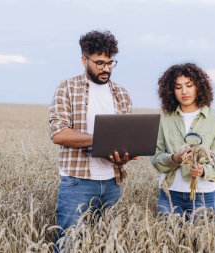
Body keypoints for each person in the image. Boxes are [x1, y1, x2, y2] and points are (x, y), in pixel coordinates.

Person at [49, 30, 133, 249]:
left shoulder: (122, 94)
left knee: (108, 245)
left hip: (113, 182)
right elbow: (59, 134)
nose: (106, 68)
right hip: (77, 183)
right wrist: (101, 140)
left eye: (110, 62)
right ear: (83, 59)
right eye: (99, 63)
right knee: (69, 245)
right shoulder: (66, 87)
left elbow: (124, 139)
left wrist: (123, 156)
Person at [151, 63, 215, 220]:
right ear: (171, 90)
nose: (184, 91)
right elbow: (155, 157)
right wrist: (173, 159)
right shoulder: (164, 119)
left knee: (204, 243)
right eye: (178, 87)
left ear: (199, 87)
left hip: (204, 196)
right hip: (169, 195)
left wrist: (203, 170)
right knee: (166, 243)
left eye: (189, 85)